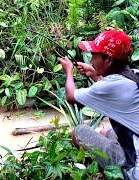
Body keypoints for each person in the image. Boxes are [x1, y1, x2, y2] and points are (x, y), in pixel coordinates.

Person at [59, 29, 139, 179]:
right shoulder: (133, 75)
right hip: (135, 145)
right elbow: (113, 90)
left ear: (108, 60)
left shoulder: (111, 86)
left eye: (94, 56)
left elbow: (71, 96)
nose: (91, 61)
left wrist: (68, 71)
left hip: (135, 170)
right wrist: (95, 73)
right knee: (104, 132)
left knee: (79, 132)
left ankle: (114, 175)